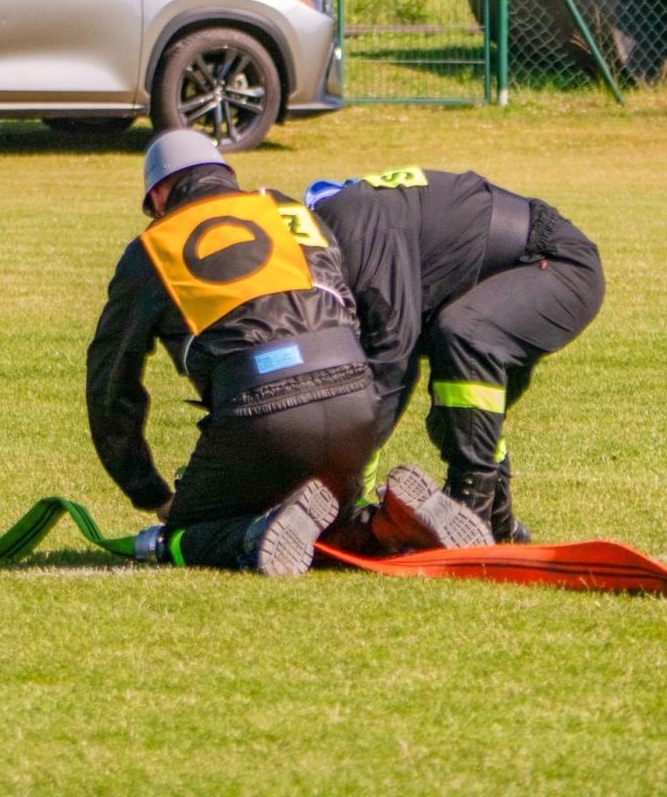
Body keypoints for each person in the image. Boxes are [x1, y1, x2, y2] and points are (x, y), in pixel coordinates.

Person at [85, 133, 488, 577]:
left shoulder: (152, 249)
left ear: (159, 195)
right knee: (320, 518)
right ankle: (386, 525)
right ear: (228, 175)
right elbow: (352, 304)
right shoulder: (289, 210)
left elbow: (111, 383)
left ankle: (255, 532)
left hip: (261, 412)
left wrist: (149, 491)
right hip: (354, 399)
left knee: (191, 529)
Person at [304, 166, 605, 543]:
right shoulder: (345, 227)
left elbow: (390, 360)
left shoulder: (359, 231)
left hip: (557, 264)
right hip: (504, 273)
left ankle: (470, 509)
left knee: (466, 336)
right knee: (453, 420)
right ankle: (499, 522)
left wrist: (344, 492)